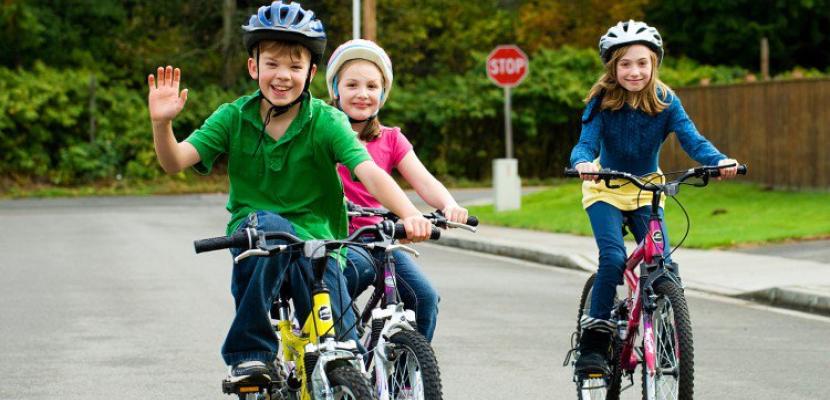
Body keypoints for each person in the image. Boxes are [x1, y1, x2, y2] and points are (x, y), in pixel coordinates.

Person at [146, 1, 432, 383]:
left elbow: (369, 173)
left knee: (345, 354)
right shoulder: (232, 118)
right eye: (273, 64)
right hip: (262, 240)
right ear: (254, 67)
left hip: (321, 245)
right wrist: (161, 125)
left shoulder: (327, 120)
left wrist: (408, 212)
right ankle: (252, 353)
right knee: (267, 225)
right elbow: (175, 161)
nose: (283, 76)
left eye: (295, 67)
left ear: (311, 73)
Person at [569, 20, 739, 375]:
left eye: (642, 63)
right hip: (606, 189)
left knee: (663, 265)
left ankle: (664, 341)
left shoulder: (666, 101)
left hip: (648, 189)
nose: (634, 71)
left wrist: (719, 161)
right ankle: (594, 344)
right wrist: (583, 162)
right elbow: (586, 143)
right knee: (613, 258)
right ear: (613, 66)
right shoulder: (602, 101)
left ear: (654, 64)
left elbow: (692, 139)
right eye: (625, 63)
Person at [325, 39, 469, 342]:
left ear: (383, 93)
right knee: (334, 298)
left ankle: (404, 375)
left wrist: (449, 204)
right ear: (335, 90)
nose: (362, 94)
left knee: (424, 299)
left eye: (372, 86)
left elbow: (425, 181)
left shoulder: (391, 139)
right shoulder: (323, 133)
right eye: (352, 85)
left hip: (381, 238)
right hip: (336, 240)